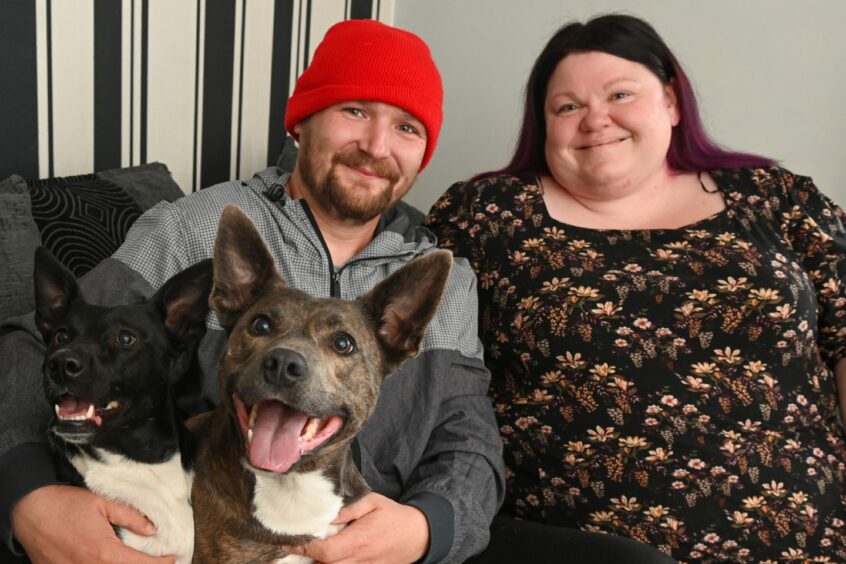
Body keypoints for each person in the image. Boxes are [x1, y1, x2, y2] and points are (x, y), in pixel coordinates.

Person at [0, 20, 505, 564]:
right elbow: (38, 345)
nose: (376, 145)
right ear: (302, 121)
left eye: (407, 127)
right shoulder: (199, 226)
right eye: (354, 110)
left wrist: (431, 526)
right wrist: (28, 494)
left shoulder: (441, 281)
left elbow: (468, 436)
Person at [425, 13, 846, 563]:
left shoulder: (777, 199)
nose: (595, 119)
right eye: (567, 107)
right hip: (572, 548)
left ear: (671, 102)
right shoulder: (487, 216)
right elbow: (420, 374)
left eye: (619, 94)